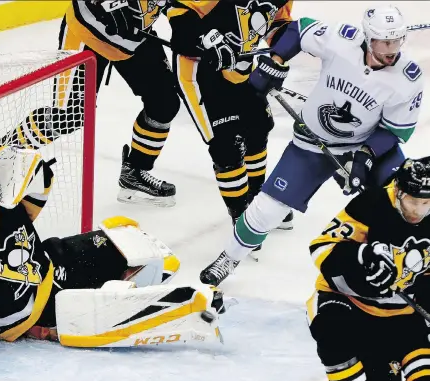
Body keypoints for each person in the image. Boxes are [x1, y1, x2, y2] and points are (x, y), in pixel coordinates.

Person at [200, 4, 425, 285]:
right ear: (368, 38)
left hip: (362, 146)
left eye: (396, 41)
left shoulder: (407, 78)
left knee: (408, 192)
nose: (391, 49)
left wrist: (365, 156)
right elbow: (297, 30)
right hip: (310, 141)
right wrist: (276, 59)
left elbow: (394, 130)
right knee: (266, 210)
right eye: (384, 41)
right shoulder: (341, 40)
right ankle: (229, 258)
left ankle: (410, 259)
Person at [0, 143, 226, 347]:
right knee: (108, 305)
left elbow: (42, 181)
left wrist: (10, 168)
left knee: (135, 250)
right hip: (36, 312)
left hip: (55, 262)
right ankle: (165, 307)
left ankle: (131, 287)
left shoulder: (4, 208)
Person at [305, 156, 430, 381]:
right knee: (332, 333)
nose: (418, 211)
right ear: (398, 191)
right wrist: (361, 257)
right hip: (348, 302)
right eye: (413, 201)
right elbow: (321, 247)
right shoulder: (371, 204)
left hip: (400, 315)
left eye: (427, 203)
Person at [166, 0, 296, 247]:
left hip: (241, 70)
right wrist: (207, 39)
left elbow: (276, 23)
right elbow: (178, 14)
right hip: (199, 73)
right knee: (225, 145)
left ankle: (258, 204)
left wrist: (281, 53)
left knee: (258, 129)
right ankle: (242, 217)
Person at [40, 0, 180, 207]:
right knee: (69, 117)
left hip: (133, 34)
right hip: (89, 30)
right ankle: (7, 151)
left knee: (164, 101)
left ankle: (134, 173)